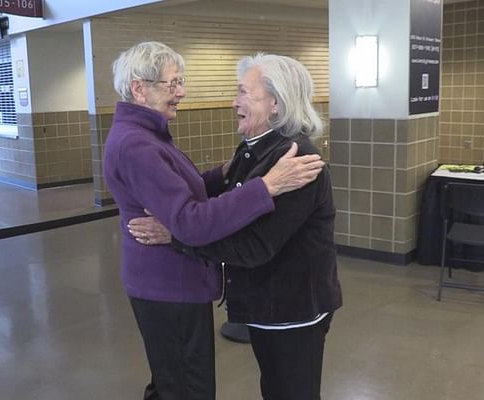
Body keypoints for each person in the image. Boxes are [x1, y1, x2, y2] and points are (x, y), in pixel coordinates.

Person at [102, 42, 325, 400]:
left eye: (180, 82)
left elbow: (181, 191)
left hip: (268, 299)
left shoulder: (146, 134)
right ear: (139, 88)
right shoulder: (137, 144)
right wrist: (265, 186)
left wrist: (225, 175)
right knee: (185, 387)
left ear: (276, 103)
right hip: (168, 284)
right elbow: (191, 221)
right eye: (172, 84)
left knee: (175, 381)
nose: (182, 92)